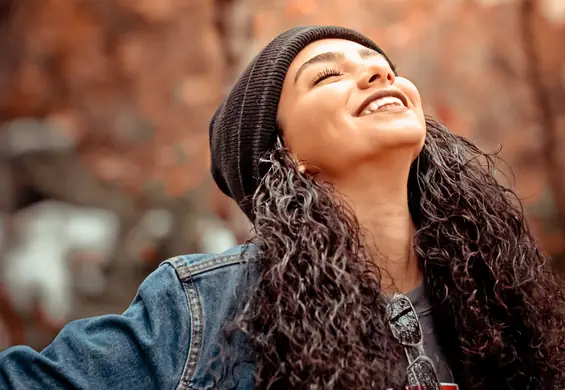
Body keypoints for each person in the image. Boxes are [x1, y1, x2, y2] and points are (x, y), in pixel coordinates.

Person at [1, 25, 564, 390]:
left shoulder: (496, 290)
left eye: (379, 64)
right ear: (289, 157)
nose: (378, 72)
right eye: (327, 75)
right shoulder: (206, 311)